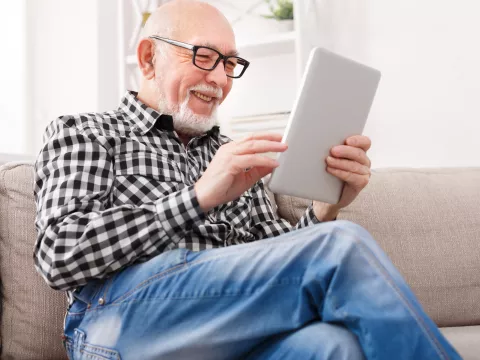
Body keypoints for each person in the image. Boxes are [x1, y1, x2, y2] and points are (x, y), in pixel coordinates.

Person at [33, 1, 460, 359]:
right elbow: (58, 254)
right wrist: (198, 197)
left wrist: (324, 207)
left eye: (230, 63)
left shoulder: (238, 157)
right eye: (203, 57)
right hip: (119, 322)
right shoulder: (85, 132)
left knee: (332, 345)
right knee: (342, 244)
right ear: (148, 58)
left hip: (230, 324)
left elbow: (277, 261)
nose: (219, 79)